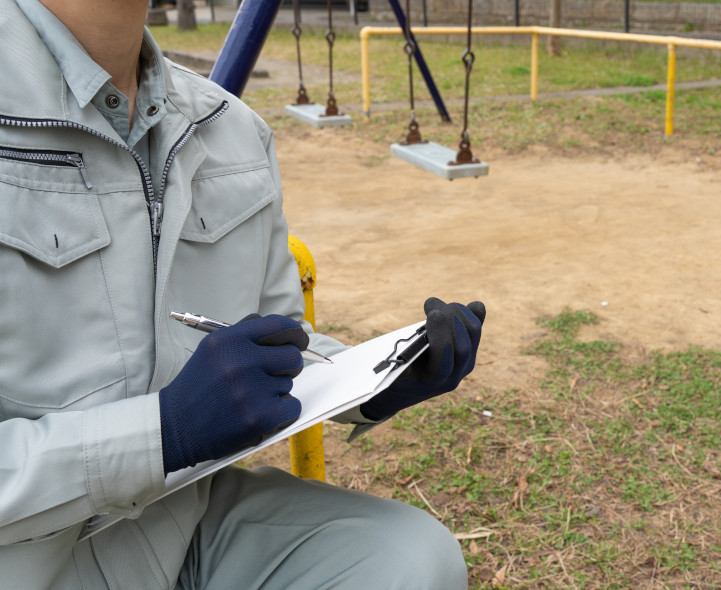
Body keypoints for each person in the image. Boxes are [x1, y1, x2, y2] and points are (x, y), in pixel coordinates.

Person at [0, 0, 485, 588]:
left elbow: (277, 336)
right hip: (27, 553)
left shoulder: (229, 128)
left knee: (408, 555)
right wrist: (163, 433)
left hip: (180, 522)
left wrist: (378, 377)